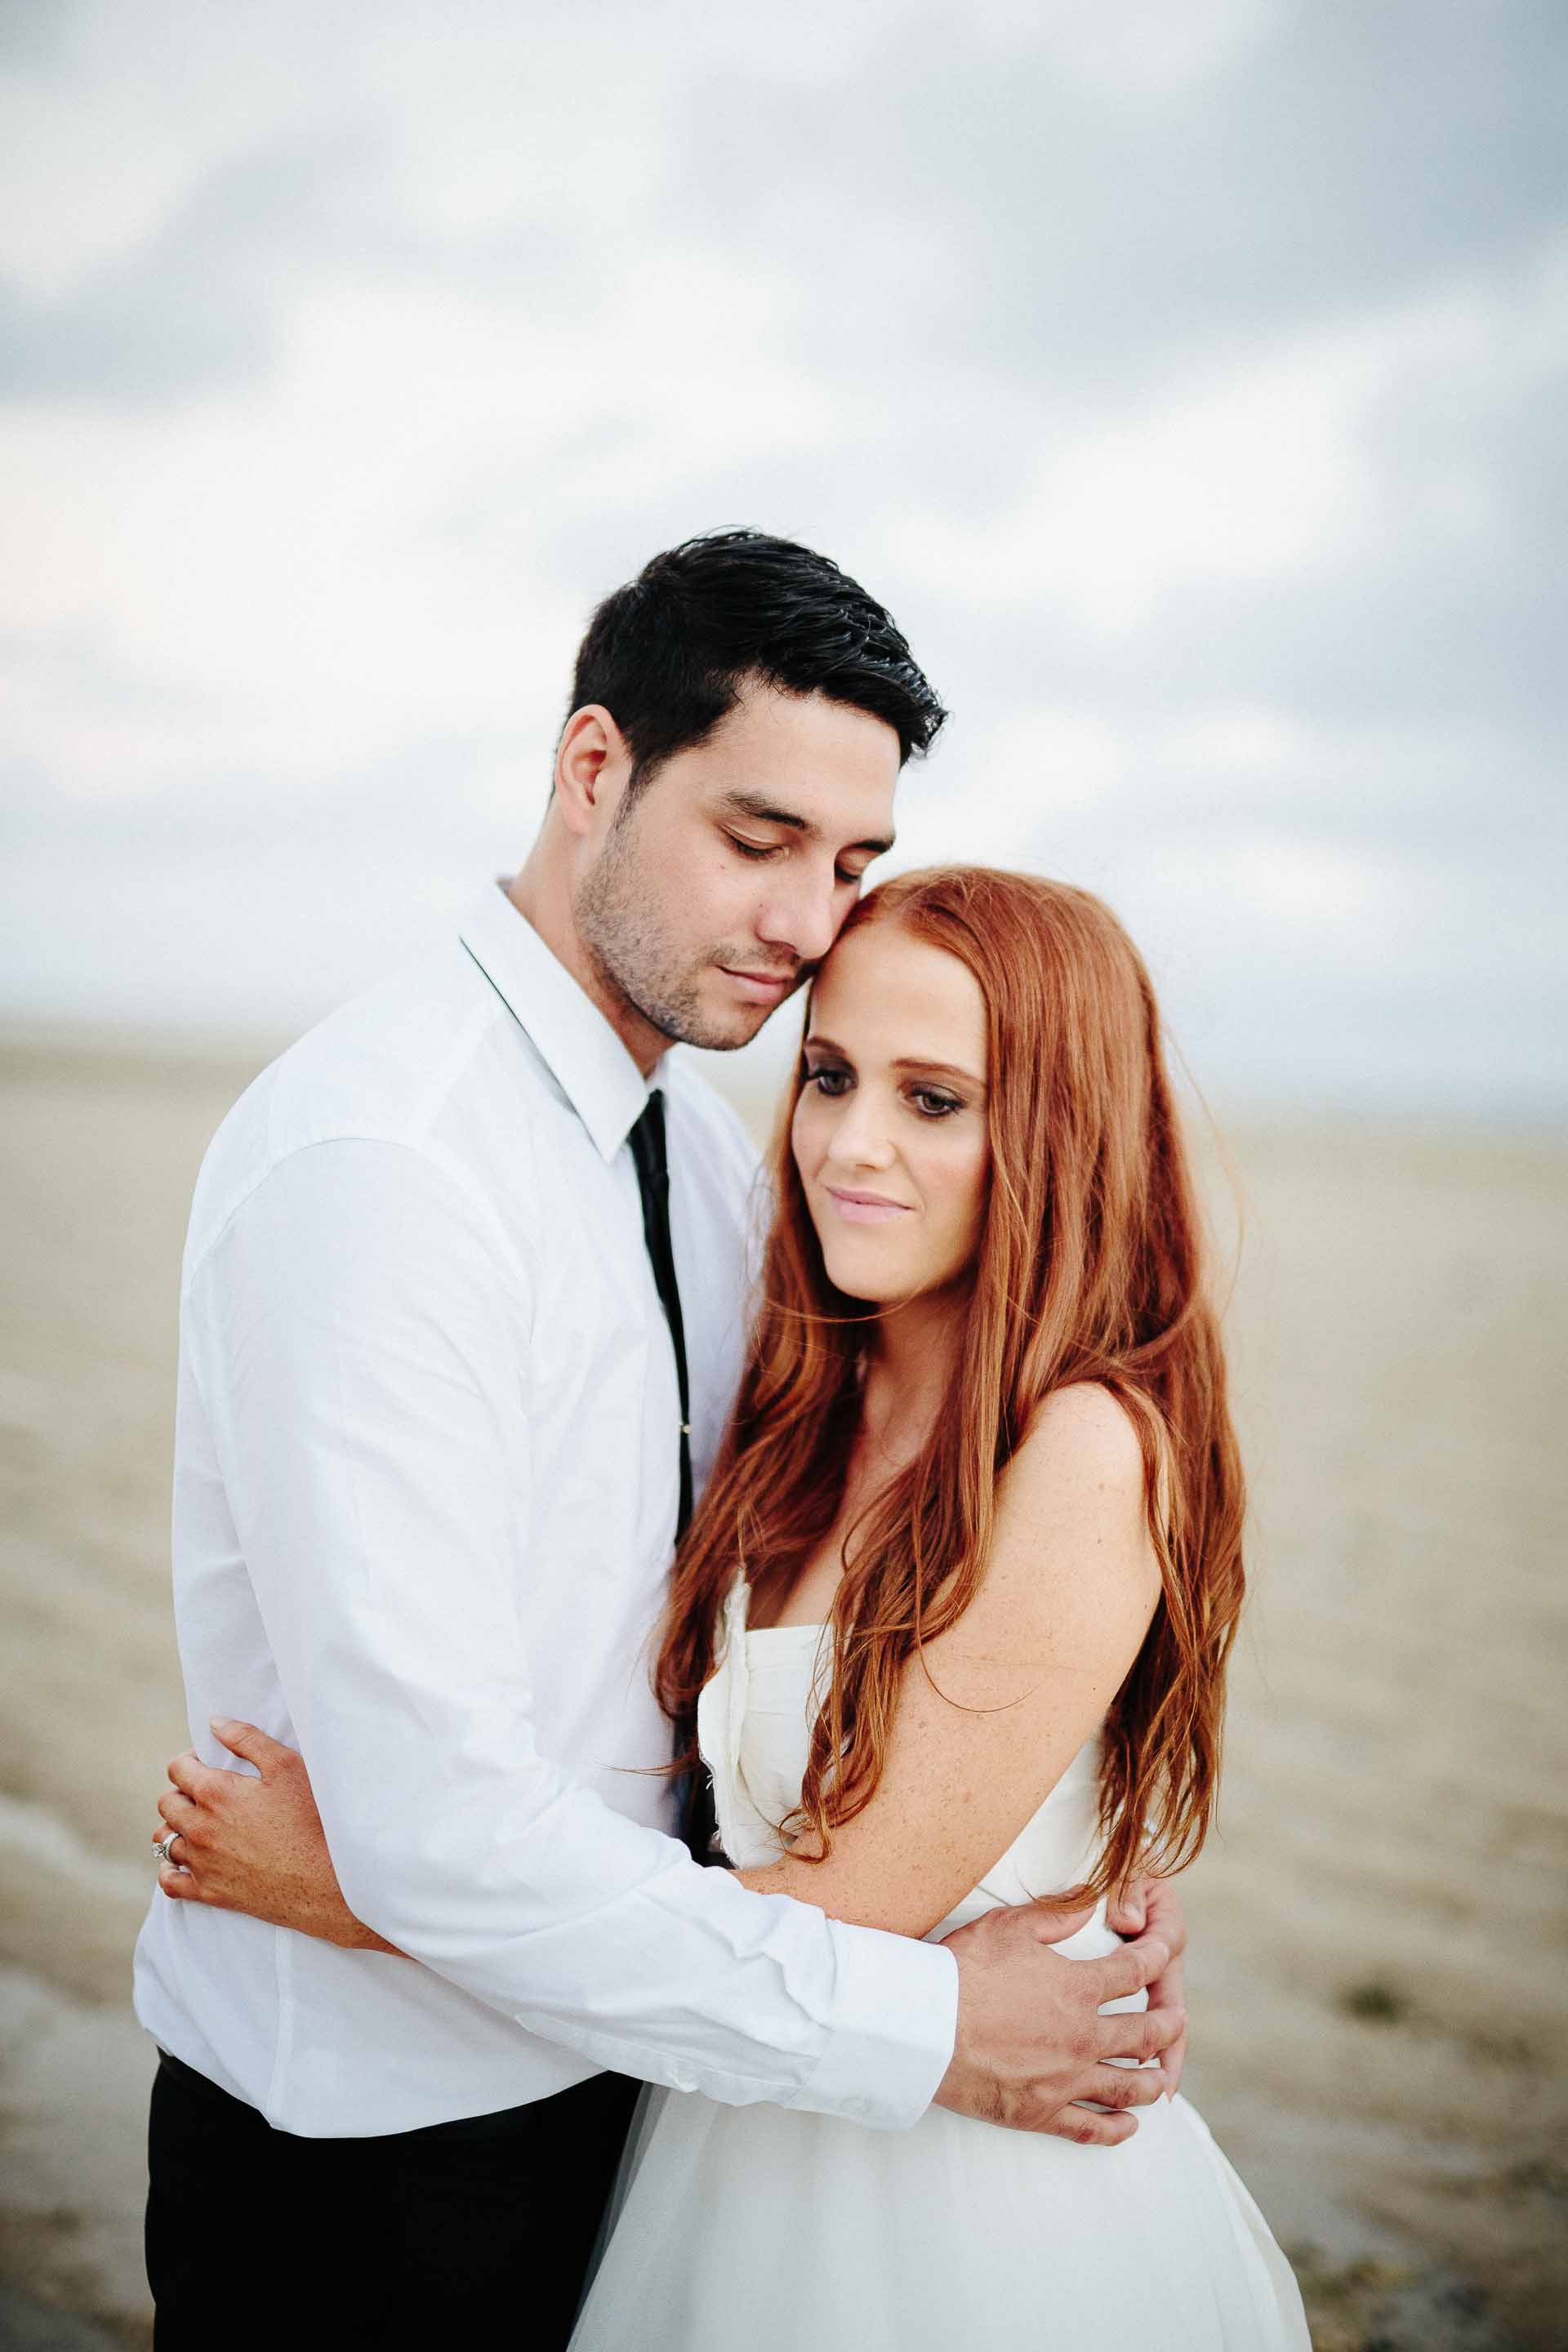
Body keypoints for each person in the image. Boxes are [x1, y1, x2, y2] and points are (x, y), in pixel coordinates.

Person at [137, 532, 1187, 2350]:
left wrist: (1040, 1916)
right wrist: (940, 2026)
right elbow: (445, 1833)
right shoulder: (388, 1170)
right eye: (757, 839)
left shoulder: (712, 1160)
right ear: (593, 769)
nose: (805, 925)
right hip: (384, 2155)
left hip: (656, 2108)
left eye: (849, 864)